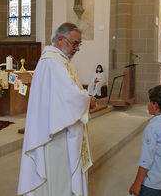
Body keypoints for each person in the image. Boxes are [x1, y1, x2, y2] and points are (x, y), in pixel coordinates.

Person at [17, 22, 96, 196]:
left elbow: (68, 94)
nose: (77, 48)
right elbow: (69, 97)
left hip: (60, 128)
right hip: (56, 136)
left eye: (78, 44)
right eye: (75, 43)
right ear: (60, 40)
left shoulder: (60, 61)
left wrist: (83, 97)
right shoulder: (52, 62)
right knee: (59, 180)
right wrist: (87, 99)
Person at [129, 85, 161, 196]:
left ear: (155, 105)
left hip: (152, 184)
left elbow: (146, 160)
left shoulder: (152, 127)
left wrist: (137, 183)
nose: (147, 103)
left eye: (149, 101)